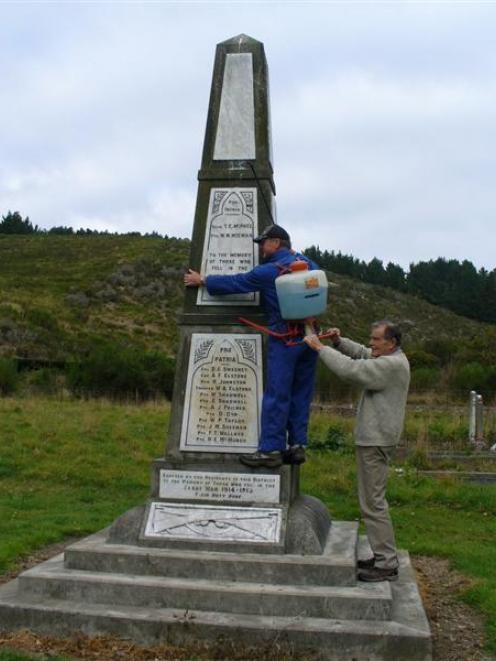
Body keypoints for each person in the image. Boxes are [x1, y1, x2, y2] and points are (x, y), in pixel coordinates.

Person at [184, 224, 320, 469]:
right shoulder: (308, 264)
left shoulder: (268, 272)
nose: (260, 247)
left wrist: (203, 279)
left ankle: (270, 450)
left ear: (276, 243)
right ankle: (297, 445)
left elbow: (238, 282)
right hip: (310, 339)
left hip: (285, 338)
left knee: (277, 395)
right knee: (301, 393)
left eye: (264, 242)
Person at [304, 321, 410, 582]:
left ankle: (386, 563)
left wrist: (320, 348)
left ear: (391, 343)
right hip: (377, 439)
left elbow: (352, 370)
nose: (371, 343)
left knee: (373, 503)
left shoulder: (390, 365)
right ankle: (383, 556)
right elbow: (363, 354)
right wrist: (339, 342)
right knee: (372, 501)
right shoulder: (390, 358)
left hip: (375, 441)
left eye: (376, 339)